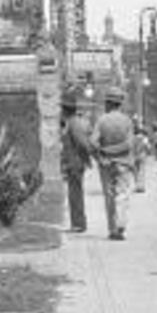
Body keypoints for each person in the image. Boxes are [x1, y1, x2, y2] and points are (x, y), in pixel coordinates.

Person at [93, 87, 135, 240]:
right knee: (122, 195)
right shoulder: (127, 121)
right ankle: (120, 225)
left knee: (109, 196)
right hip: (124, 164)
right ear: (120, 103)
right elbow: (129, 145)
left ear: (108, 103)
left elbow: (93, 142)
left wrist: (103, 153)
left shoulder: (102, 120)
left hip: (106, 164)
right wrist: (115, 151)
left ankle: (112, 229)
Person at [60, 88, 95, 233]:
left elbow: (82, 143)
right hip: (73, 163)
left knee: (75, 194)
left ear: (65, 110)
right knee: (74, 194)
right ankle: (77, 222)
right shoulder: (71, 123)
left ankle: (79, 223)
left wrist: (88, 158)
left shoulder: (74, 124)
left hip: (75, 163)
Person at [133, 125, 152, 194]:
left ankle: (137, 186)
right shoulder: (144, 138)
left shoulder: (132, 138)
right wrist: (149, 152)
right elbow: (148, 147)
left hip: (134, 156)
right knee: (141, 171)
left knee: (135, 172)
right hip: (142, 156)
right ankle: (141, 187)